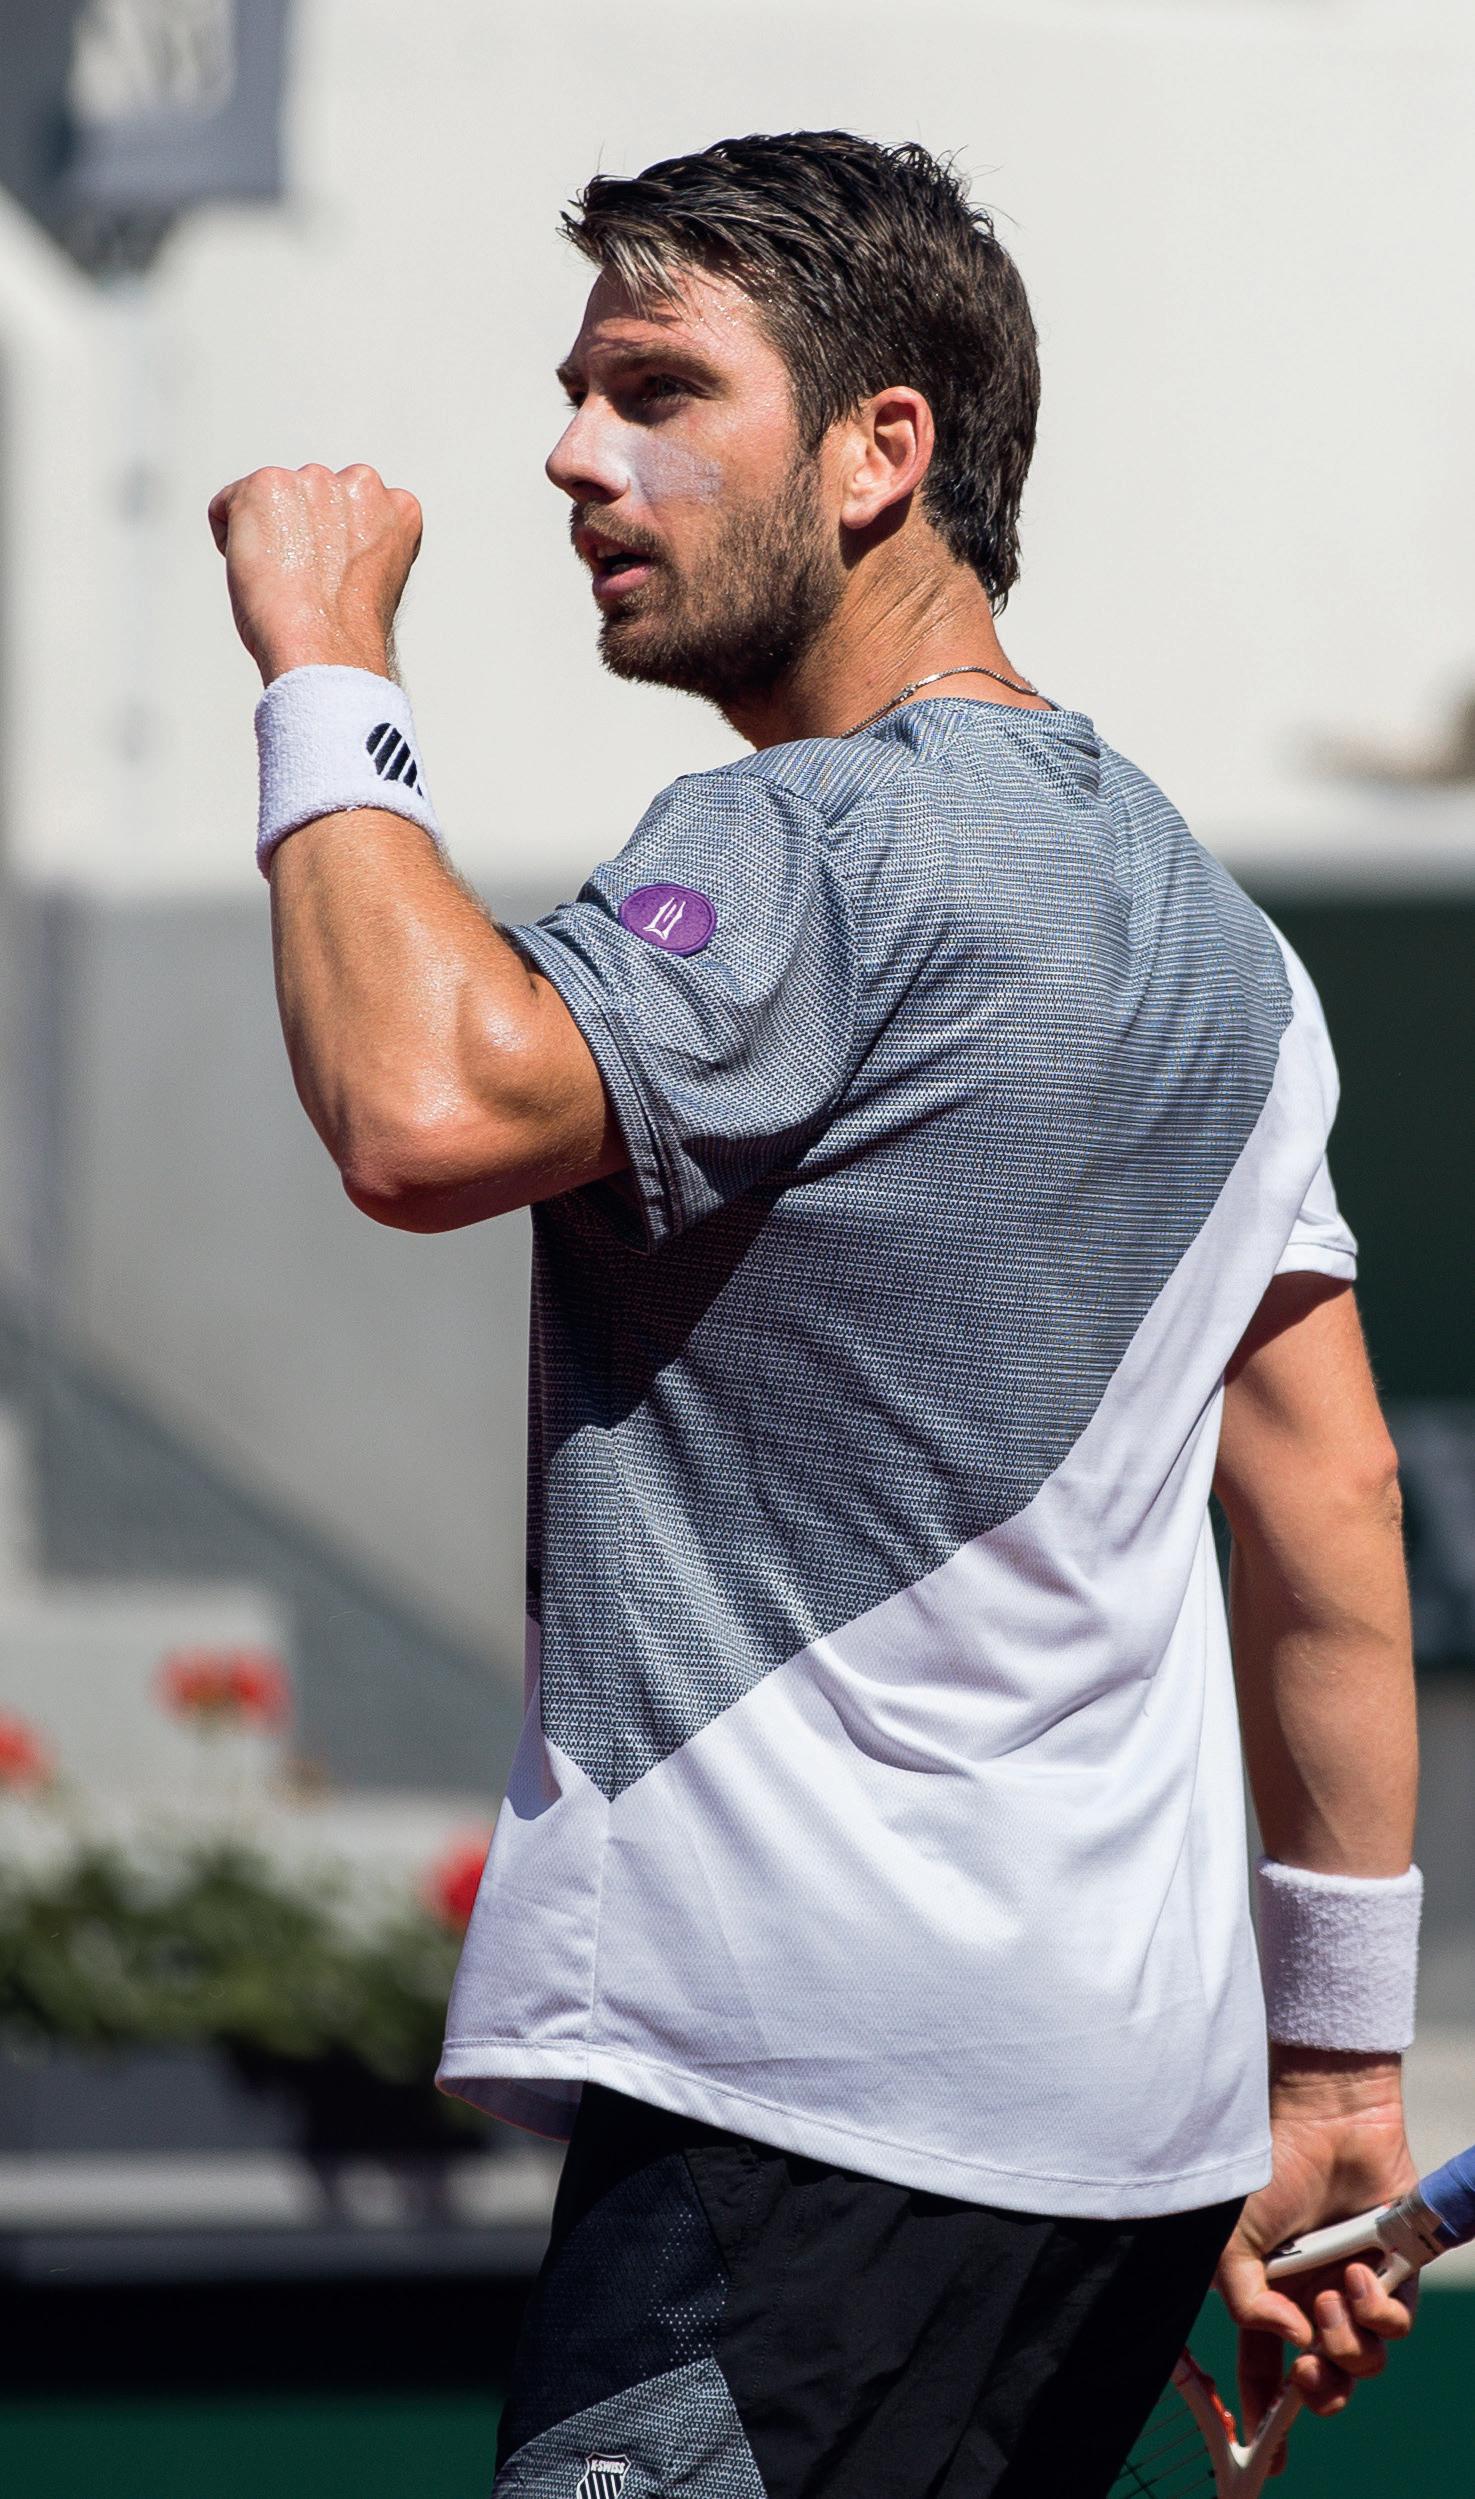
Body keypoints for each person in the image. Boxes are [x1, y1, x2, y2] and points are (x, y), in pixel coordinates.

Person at [209, 131, 1421, 2499]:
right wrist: (1343, 2068)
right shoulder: (1233, 948)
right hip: (1117, 2158)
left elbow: (419, 1106)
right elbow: (1331, 1498)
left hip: (797, 2115)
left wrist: (326, 668)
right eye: (575, 393)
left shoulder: (807, 838)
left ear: (883, 451)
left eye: (660, 389)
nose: (575, 454)